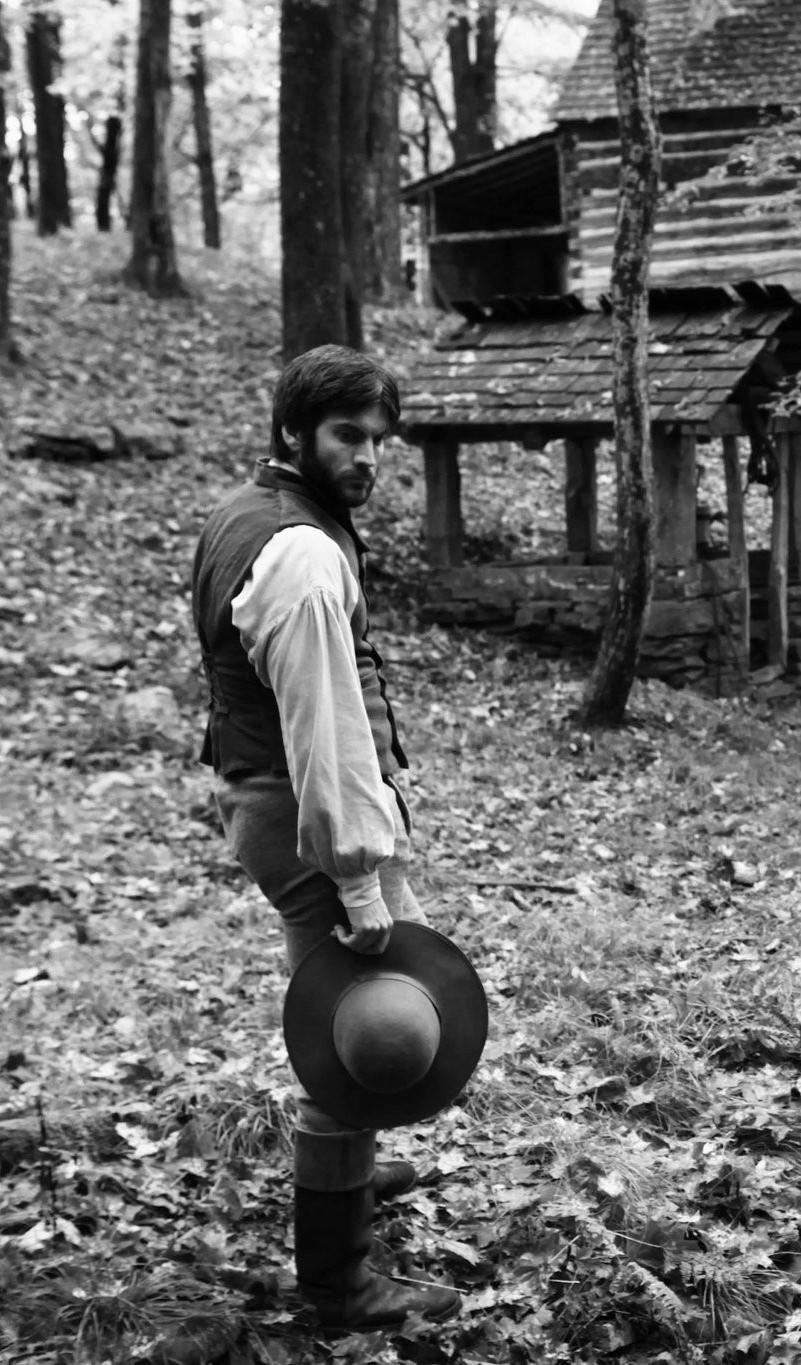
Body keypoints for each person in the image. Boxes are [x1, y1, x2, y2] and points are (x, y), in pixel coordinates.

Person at [191, 344, 461, 1331]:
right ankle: (337, 1287)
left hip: (272, 805)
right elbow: (325, 735)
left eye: (378, 441)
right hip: (302, 817)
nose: (367, 458)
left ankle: (349, 1160)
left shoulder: (244, 513)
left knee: (350, 1011)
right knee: (362, 1032)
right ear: (292, 433)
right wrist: (359, 883)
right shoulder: (299, 552)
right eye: (348, 436)